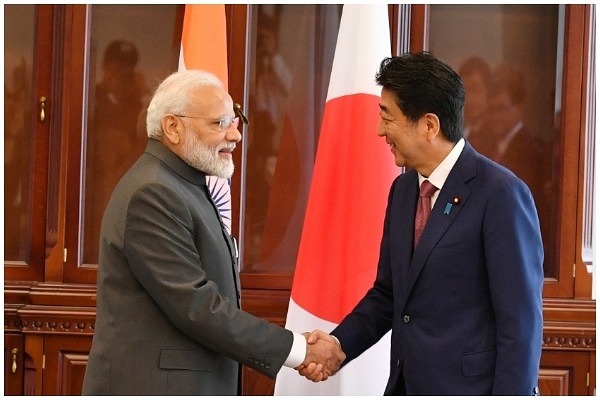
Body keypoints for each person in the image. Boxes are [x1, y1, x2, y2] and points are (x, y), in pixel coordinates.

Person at [81, 69, 345, 395]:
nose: (235, 136)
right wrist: (299, 350)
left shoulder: (182, 184)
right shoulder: (153, 194)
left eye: (234, 122)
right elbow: (197, 306)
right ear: (173, 127)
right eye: (219, 124)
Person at [300, 52, 544, 395]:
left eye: (388, 116)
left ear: (429, 125)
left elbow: (520, 324)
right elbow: (389, 295)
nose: (379, 130)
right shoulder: (402, 190)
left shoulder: (500, 194)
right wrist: (338, 345)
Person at [458, 56, 492, 139]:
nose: (470, 99)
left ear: (489, 91)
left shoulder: (496, 133)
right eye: (466, 91)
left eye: (476, 90)